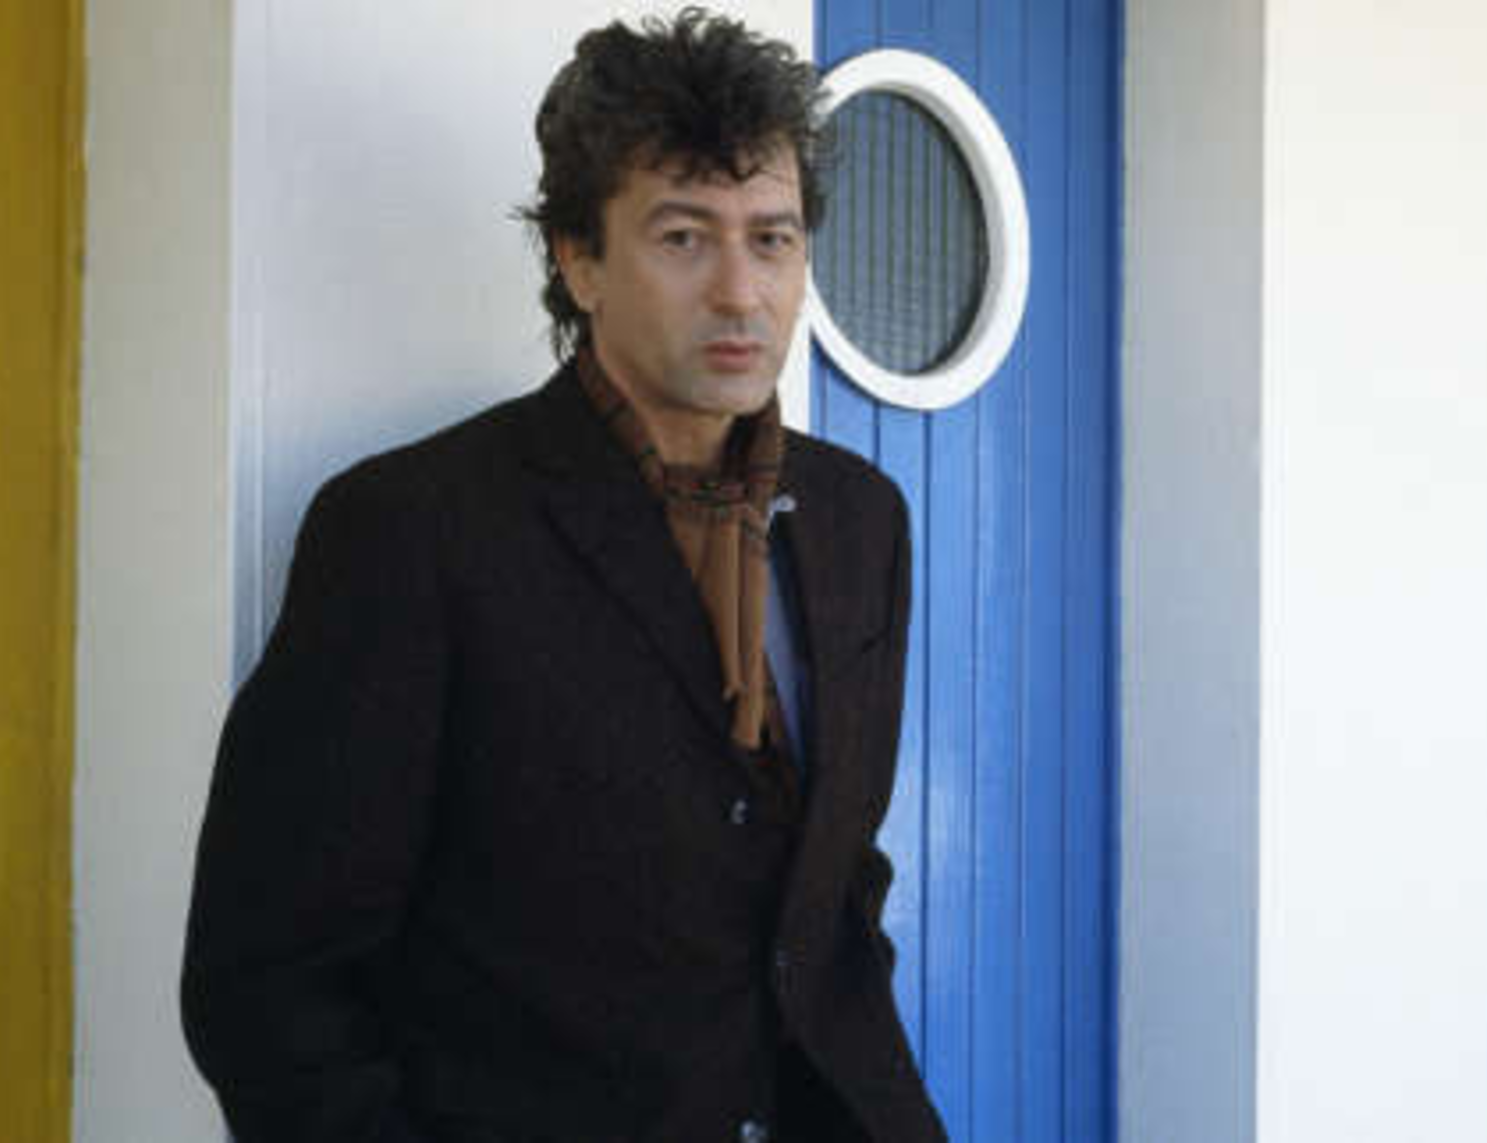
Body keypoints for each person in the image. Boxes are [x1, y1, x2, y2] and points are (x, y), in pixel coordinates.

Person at [180, 11, 945, 1142]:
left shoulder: (859, 520)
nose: (742, 291)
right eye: (683, 238)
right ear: (576, 259)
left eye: (773, 239)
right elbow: (267, 981)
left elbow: (833, 892)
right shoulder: (413, 532)